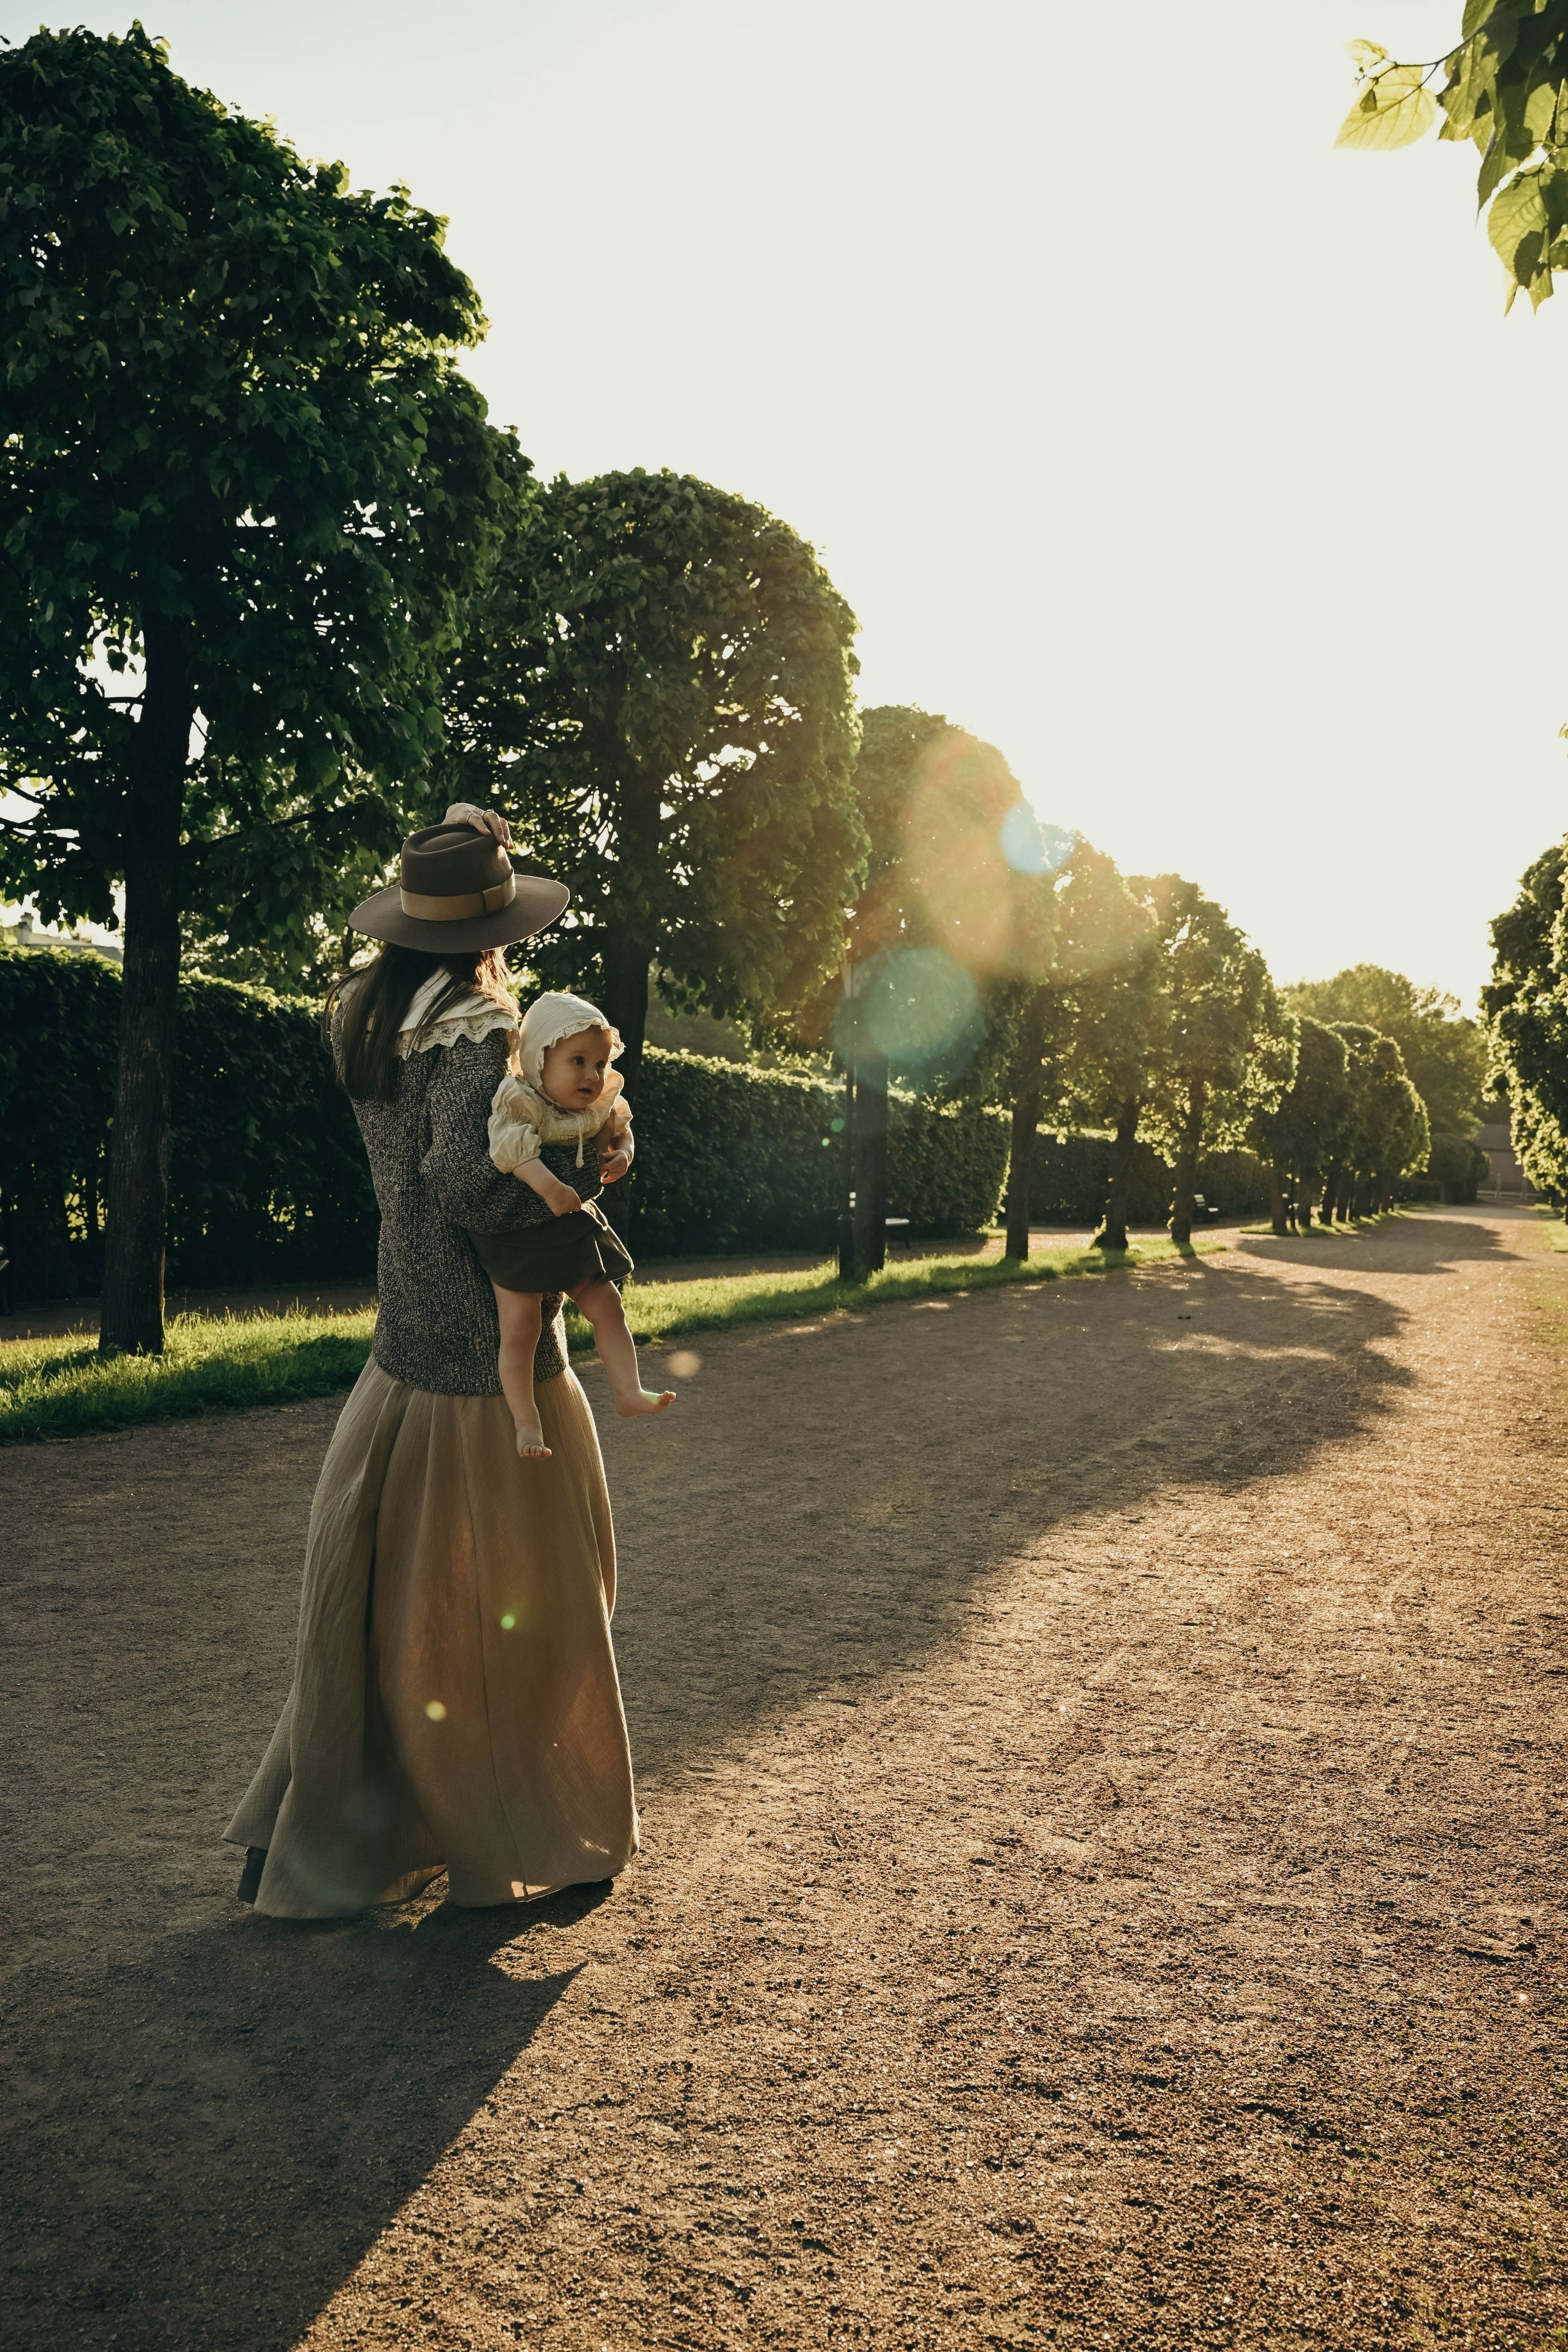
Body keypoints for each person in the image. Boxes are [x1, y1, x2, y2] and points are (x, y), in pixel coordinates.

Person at [225, 809, 639, 1916]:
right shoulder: (476, 1026)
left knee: (373, 1611)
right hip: (484, 1344)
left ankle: (310, 1831)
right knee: (532, 1606)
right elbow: (464, 1178)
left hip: (403, 1334)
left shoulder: (372, 1010)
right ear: (488, 934)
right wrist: (572, 1185)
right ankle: (522, 1831)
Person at [478, 989, 675, 1458]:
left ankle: (628, 1391)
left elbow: (622, 1129)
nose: (593, 1075)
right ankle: (526, 1424)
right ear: (539, 1059)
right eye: (578, 1061)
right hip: (519, 1234)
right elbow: (511, 1151)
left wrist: (623, 1154)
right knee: (522, 1327)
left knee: (608, 1305)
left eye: (600, 1063)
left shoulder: (597, 1102)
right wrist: (548, 1186)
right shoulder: (521, 1098)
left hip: (571, 1227)